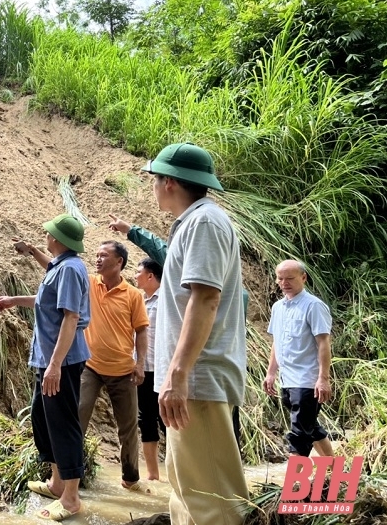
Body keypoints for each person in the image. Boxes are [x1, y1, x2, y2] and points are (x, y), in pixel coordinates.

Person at [143, 142, 248, 525]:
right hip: (190, 381)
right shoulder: (195, 222)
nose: (153, 186)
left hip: (197, 380)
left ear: (169, 182)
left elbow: (205, 299)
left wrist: (178, 374)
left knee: (214, 505)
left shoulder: (204, 223)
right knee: (188, 495)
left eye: (155, 179)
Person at [13, 237, 149, 492]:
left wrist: (140, 363)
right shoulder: (88, 281)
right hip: (91, 366)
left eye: (103, 255)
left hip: (123, 370)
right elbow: (55, 269)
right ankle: (72, 479)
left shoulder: (132, 295)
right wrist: (33, 251)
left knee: (128, 427)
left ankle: (130, 479)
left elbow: (141, 331)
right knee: (74, 417)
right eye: (96, 254)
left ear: (119, 262)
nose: (97, 259)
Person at [107, 216, 249, 452]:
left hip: (201, 374)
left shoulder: (211, 287)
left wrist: (131, 230)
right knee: (225, 440)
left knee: (202, 444)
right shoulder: (236, 291)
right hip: (225, 372)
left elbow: (166, 253)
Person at [0, 214, 90, 521]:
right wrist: (14, 299)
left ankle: (71, 499)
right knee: (43, 418)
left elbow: (71, 317)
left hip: (62, 361)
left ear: (57, 239)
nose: (45, 236)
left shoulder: (70, 269)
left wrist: (56, 365)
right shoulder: (62, 265)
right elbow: (46, 298)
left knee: (63, 423)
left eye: (48, 234)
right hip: (48, 359)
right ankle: (57, 483)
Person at [263, 259, 334, 457]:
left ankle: (293, 478)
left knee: (299, 435)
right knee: (311, 428)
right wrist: (271, 373)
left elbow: (323, 343)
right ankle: (337, 471)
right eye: (280, 278)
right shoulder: (278, 307)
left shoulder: (314, 306)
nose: (284, 283)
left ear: (303, 278)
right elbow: (277, 342)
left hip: (307, 380)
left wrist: (323, 378)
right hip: (287, 380)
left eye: (290, 278)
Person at [133, 257, 165, 481]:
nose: (135, 275)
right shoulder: (139, 301)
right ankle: (153, 475)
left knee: (168, 420)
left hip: (163, 369)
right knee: (146, 419)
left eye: (138, 272)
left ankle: (179, 474)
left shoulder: (166, 300)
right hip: (143, 369)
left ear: (150, 276)